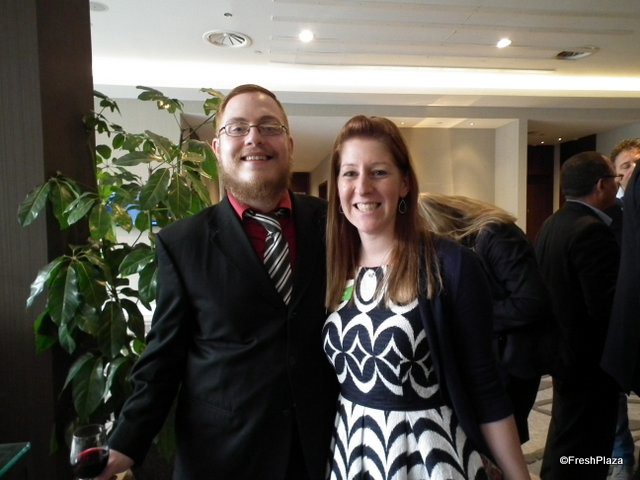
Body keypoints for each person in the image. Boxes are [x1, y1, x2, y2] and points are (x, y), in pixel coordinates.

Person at [96, 84, 338, 479]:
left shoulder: (335, 224)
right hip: (224, 458)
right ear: (216, 148)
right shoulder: (182, 243)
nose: (254, 138)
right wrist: (125, 443)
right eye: (237, 128)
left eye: (269, 127)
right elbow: (164, 358)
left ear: (290, 145)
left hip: (323, 451)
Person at [323, 115, 530, 480]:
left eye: (379, 172)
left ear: (404, 183)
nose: (363, 187)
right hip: (351, 452)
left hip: (429, 455)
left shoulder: (450, 265)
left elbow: (485, 386)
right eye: (350, 173)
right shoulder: (334, 265)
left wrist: (518, 476)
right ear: (337, 185)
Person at [418, 192, 553, 445]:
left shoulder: (497, 234)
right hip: (493, 355)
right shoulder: (470, 243)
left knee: (503, 437)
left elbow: (531, 301)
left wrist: (473, 316)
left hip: (514, 359)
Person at [535, 151, 620, 480]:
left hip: (561, 351)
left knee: (566, 433)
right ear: (601, 185)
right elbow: (604, 306)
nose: (617, 185)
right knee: (588, 443)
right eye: (615, 179)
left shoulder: (552, 222)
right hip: (589, 361)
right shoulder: (591, 230)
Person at [602, 142, 640, 480]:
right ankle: (621, 459)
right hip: (613, 320)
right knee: (614, 401)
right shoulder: (607, 218)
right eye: (626, 166)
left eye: (637, 164)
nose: (633, 171)